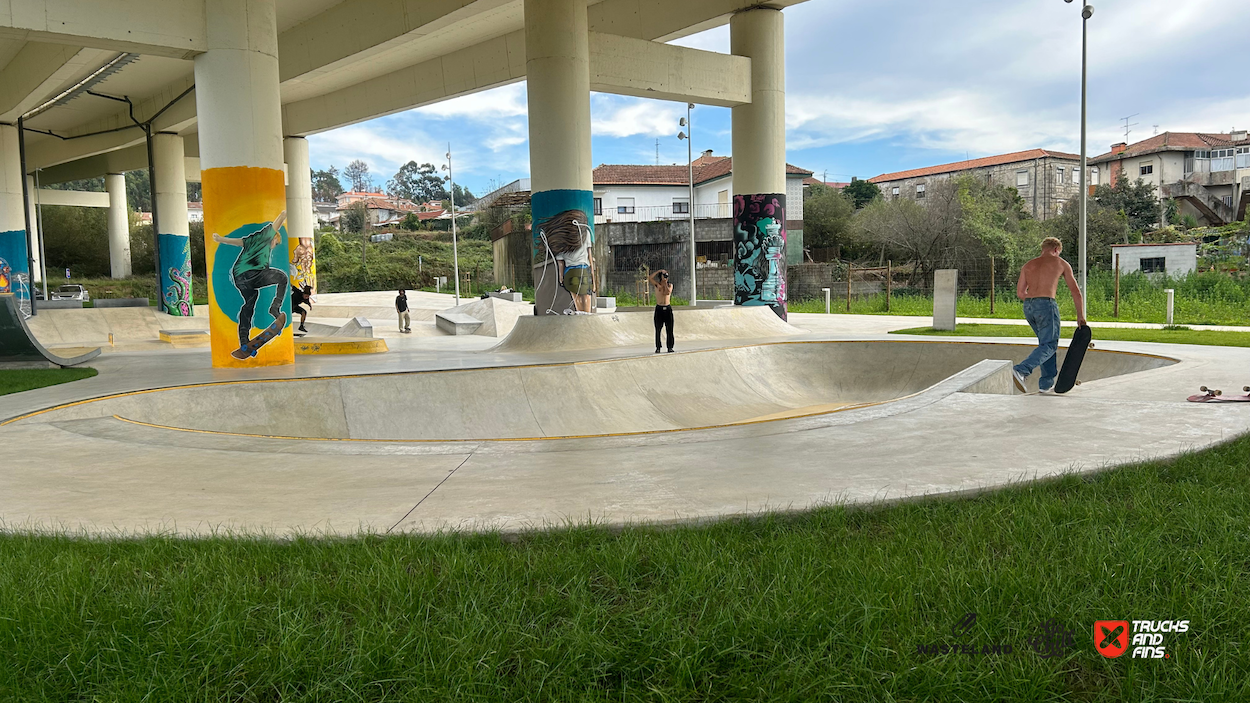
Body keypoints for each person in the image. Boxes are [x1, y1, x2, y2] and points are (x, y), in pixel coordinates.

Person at [211, 210, 289, 357]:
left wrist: (221, 239)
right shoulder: (266, 236)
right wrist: (283, 215)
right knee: (282, 278)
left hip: (239, 278)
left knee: (249, 304)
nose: (274, 246)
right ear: (273, 238)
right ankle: (274, 308)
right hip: (252, 273)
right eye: (275, 243)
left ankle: (244, 341)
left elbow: (239, 242)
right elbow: (276, 225)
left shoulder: (252, 239)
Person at [1013, 236, 1086, 394]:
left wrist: (1034, 298)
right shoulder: (1060, 263)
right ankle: (1021, 370)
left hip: (1029, 307)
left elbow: (1020, 293)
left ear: (1043, 249)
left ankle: (1046, 385)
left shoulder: (1028, 265)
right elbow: (1075, 292)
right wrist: (1080, 316)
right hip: (1046, 305)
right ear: (1056, 250)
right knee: (1050, 344)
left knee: (1045, 344)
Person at [538, 209, 596, 313]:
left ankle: (579, 317)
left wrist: (561, 277)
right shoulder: (586, 233)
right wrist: (593, 274)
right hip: (584, 270)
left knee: (576, 299)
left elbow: (561, 263)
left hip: (569, 272)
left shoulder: (561, 238)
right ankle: (587, 320)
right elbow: (590, 256)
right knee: (586, 298)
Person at [648, 269, 675, 353]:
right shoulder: (657, 285)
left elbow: (667, 292)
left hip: (667, 308)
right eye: (664, 276)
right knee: (658, 329)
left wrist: (665, 283)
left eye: (666, 276)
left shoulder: (670, 285)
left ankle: (670, 346)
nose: (665, 277)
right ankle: (658, 347)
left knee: (669, 329)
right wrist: (659, 271)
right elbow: (650, 278)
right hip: (659, 308)